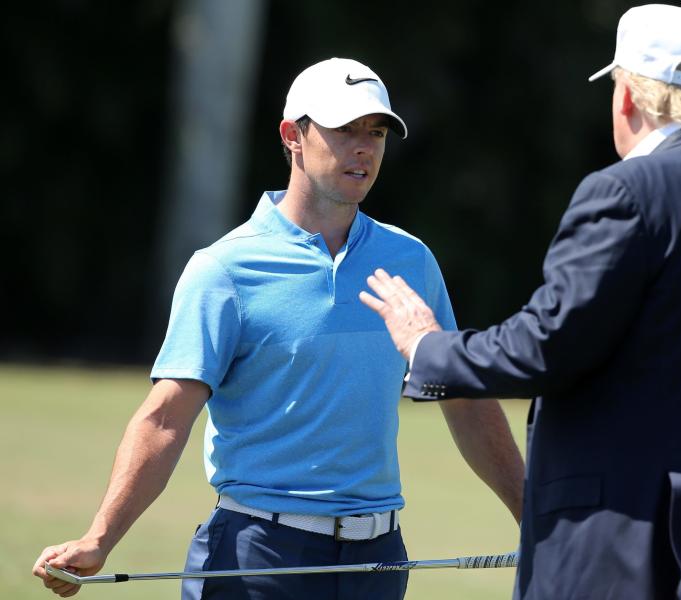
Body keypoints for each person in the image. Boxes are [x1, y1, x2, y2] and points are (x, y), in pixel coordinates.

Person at [359, 5, 681, 599]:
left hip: (634, 553)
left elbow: (548, 345)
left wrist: (427, 345)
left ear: (629, 95)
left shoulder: (627, 191)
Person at [32, 57, 524, 600]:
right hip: (258, 556)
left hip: (378, 560)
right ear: (293, 136)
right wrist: (99, 537)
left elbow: (465, 401)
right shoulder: (224, 269)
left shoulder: (410, 260)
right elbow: (167, 416)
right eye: (344, 130)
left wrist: (536, 515)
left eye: (376, 132)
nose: (364, 148)